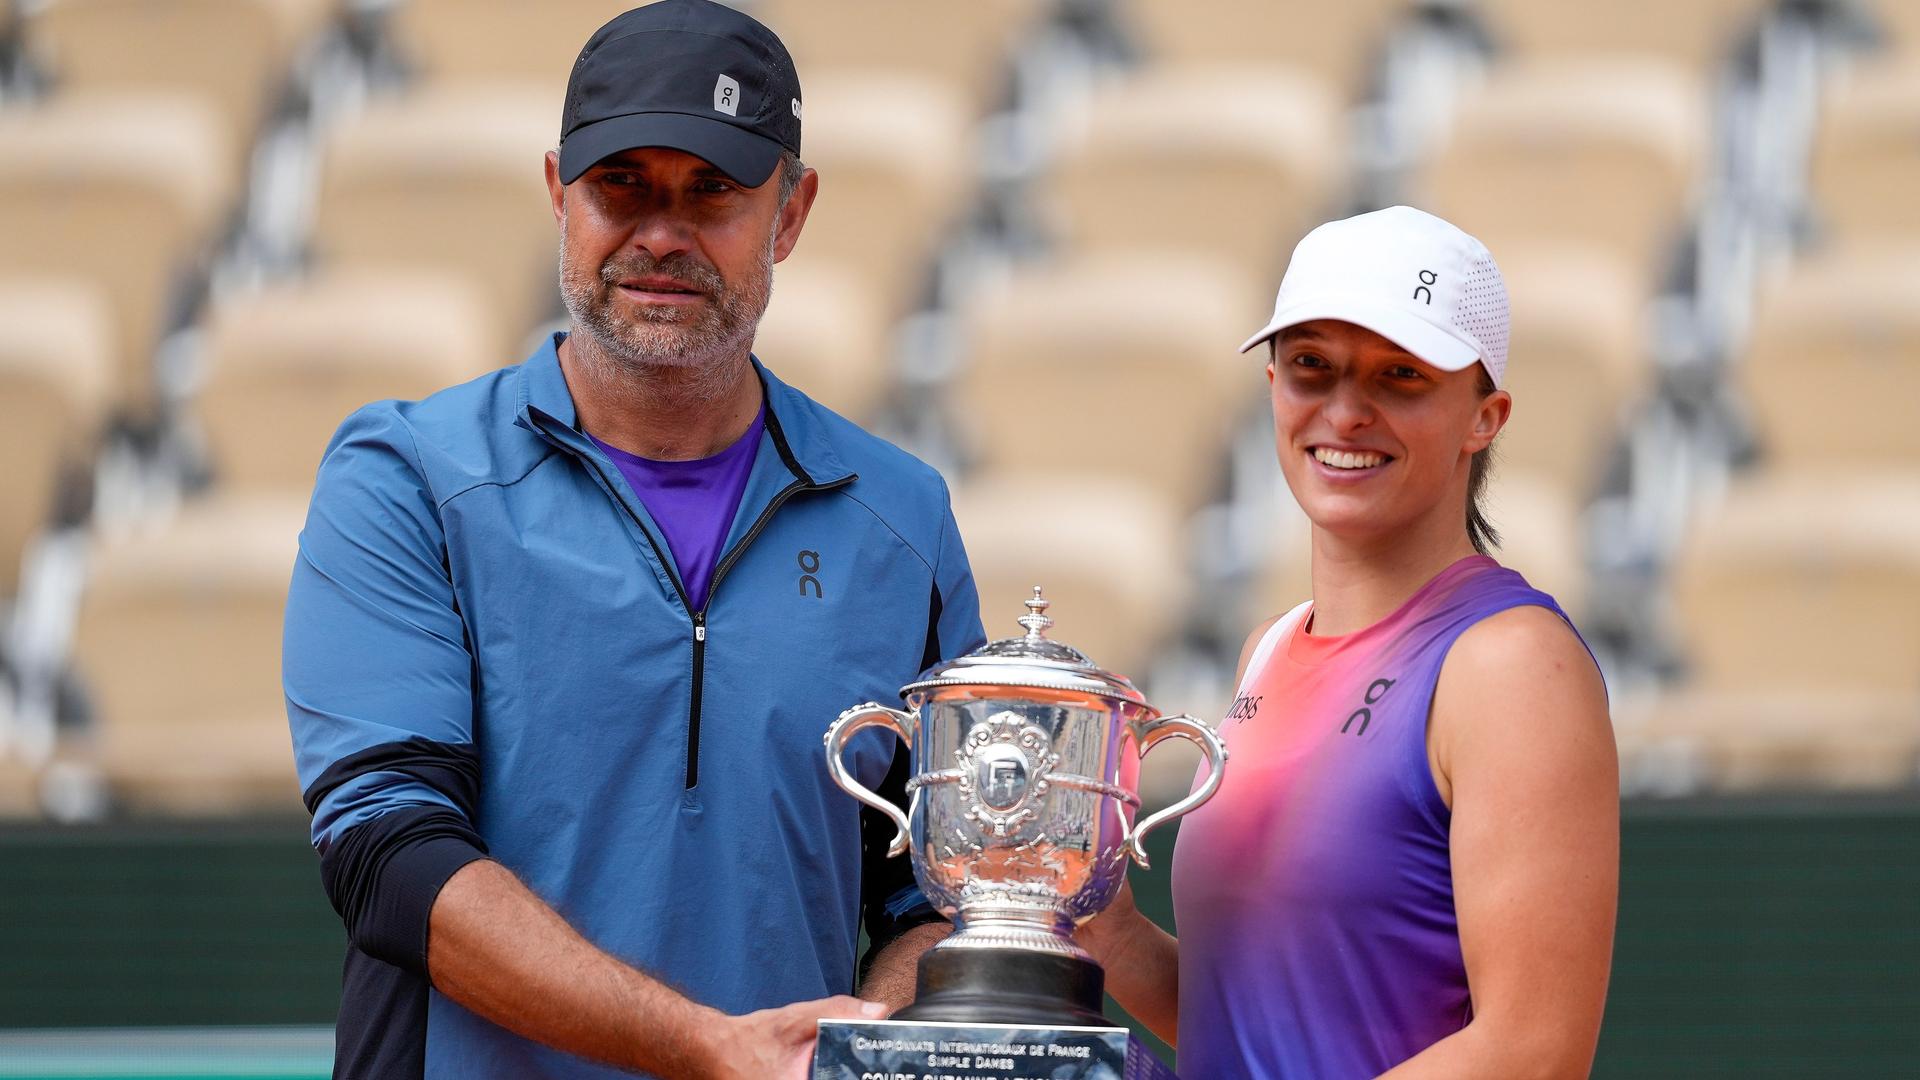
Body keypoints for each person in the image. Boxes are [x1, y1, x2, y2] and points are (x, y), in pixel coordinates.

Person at [282, 3, 984, 1077]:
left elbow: (933, 892)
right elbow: (389, 855)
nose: (662, 232)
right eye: (624, 186)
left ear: (790, 215)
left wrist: (860, 1040)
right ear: (560, 192)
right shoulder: (406, 477)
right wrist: (707, 1048)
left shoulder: (903, 516)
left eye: (713, 191)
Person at [1080, 206, 1619, 1077]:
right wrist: (1109, 929)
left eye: (1399, 376)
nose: (1344, 411)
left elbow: (1531, 1051)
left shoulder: (1513, 663)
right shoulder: (1270, 646)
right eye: (1310, 367)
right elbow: (1260, 1019)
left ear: (1486, 416)